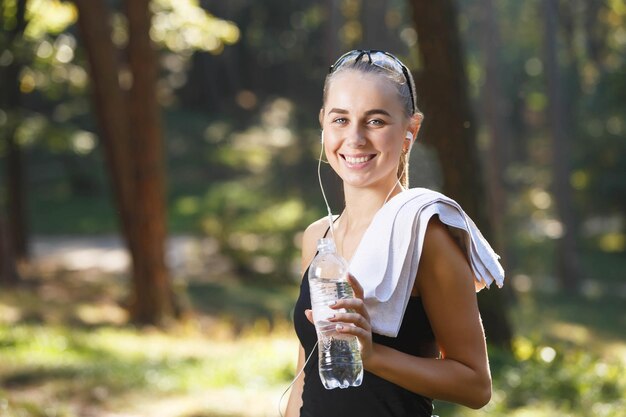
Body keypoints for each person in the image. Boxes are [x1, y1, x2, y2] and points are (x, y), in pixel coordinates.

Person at [284, 50, 496, 417]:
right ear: (323, 124)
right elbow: (306, 375)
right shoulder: (318, 238)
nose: (355, 138)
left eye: (376, 121)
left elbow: (476, 385)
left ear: (410, 131)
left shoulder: (426, 237)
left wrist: (372, 355)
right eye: (340, 119)